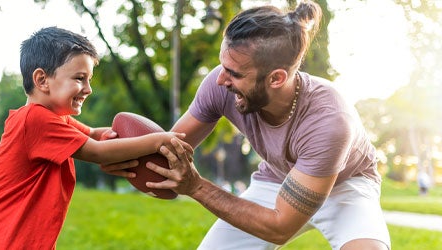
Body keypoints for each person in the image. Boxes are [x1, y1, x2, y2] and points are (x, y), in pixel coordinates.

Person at [105, 1, 391, 249]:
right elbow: (169, 150)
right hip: (277, 178)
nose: (220, 79)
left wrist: (197, 187)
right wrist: (114, 153)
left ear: (276, 78)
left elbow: (280, 226)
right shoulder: (222, 84)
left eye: (235, 73)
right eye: (222, 65)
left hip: (346, 185)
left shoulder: (329, 121)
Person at [0, 27, 183, 250]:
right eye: (80, 78)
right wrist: (158, 140)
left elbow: (95, 135)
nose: (88, 89)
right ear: (42, 80)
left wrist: (118, 135)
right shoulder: (35, 119)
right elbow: (97, 151)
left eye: (89, 80)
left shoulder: (55, 120)